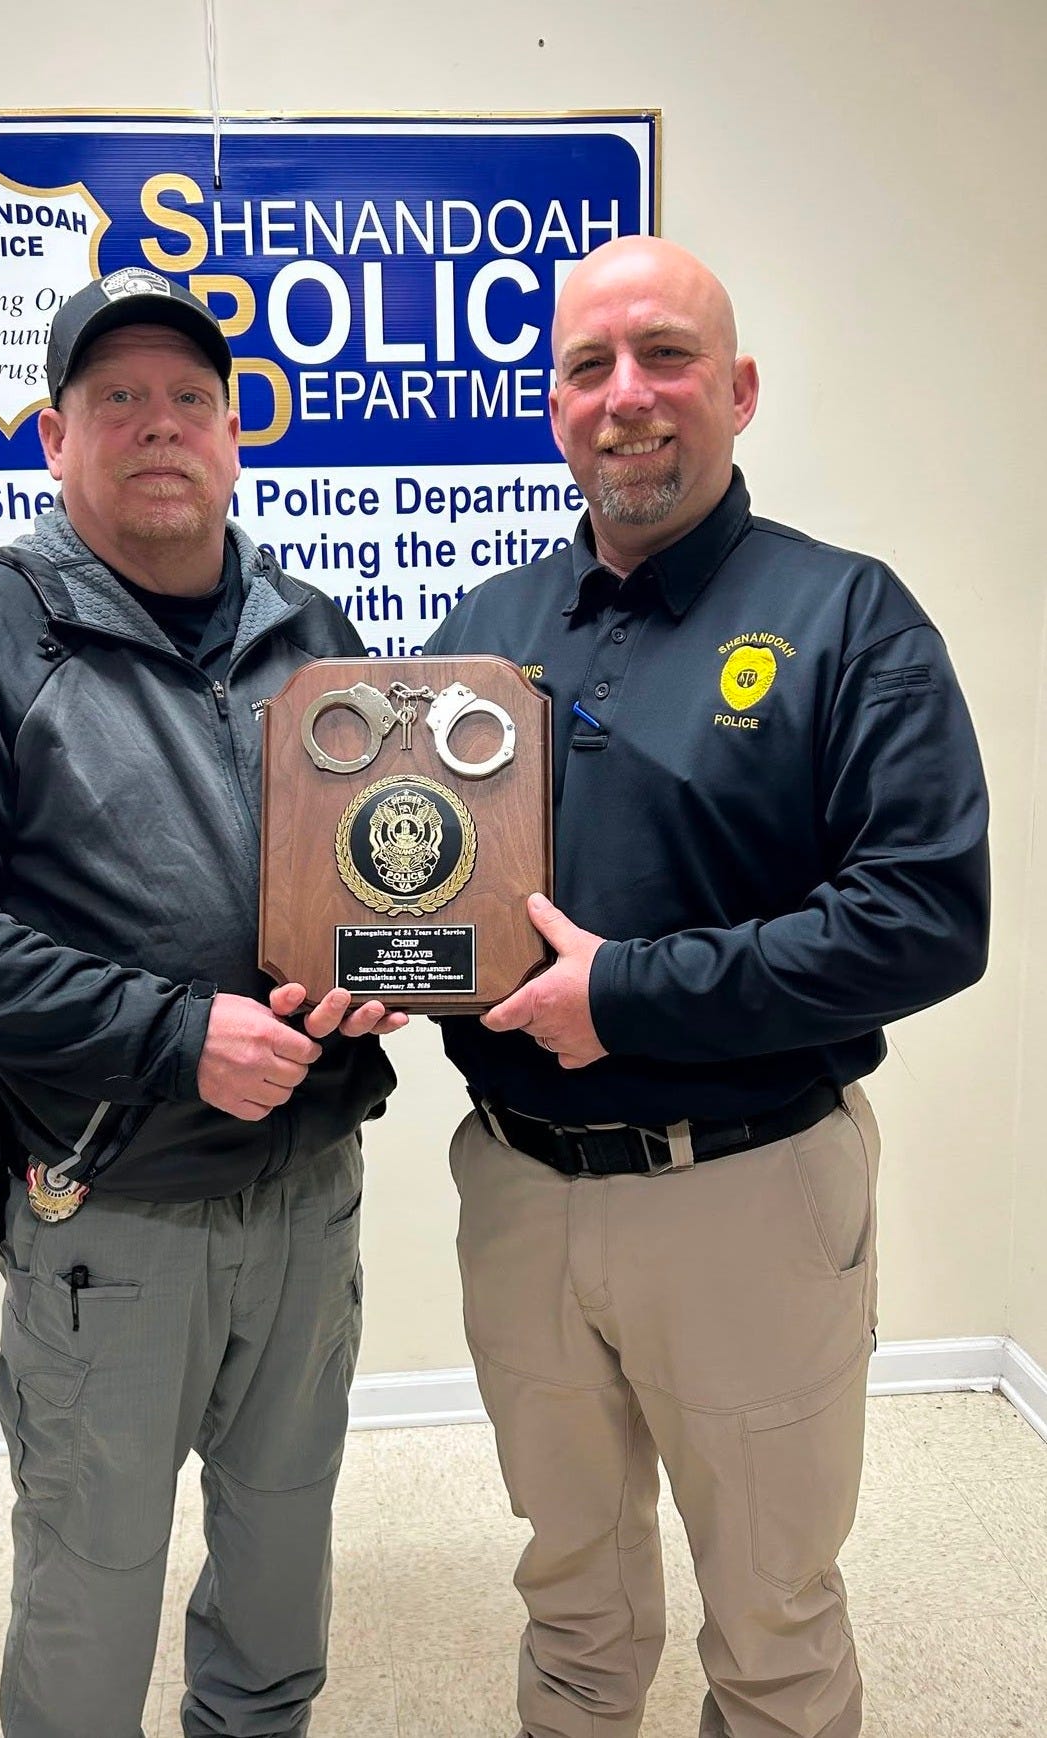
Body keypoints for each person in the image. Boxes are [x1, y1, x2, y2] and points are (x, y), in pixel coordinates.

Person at [424, 236, 989, 1738]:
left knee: (774, 1624)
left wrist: (628, 996)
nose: (627, 395)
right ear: (554, 406)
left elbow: (926, 919)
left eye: (665, 356)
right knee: (571, 1598)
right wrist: (353, 971)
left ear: (737, 391)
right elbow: (415, 891)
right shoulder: (480, 634)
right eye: (588, 366)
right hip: (518, 1194)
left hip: (745, 1191)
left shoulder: (849, 618)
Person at [0, 268, 404, 1738]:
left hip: (309, 1194)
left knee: (282, 1557)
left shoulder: (310, 625)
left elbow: (363, 866)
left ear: (233, 434)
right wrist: (175, 1035)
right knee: (91, 1593)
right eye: (119, 399)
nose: (161, 425)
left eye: (190, 399)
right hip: (113, 1209)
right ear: (55, 436)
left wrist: (375, 970)